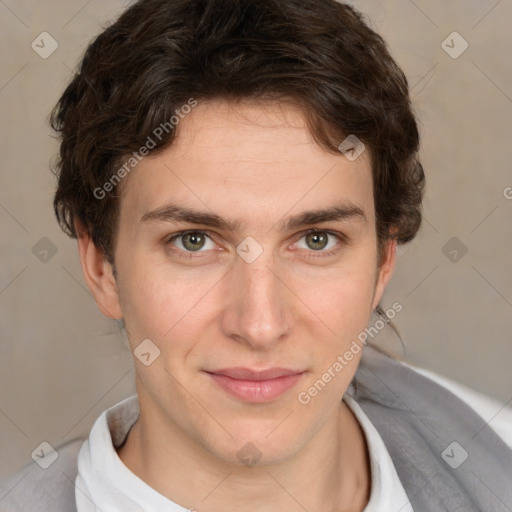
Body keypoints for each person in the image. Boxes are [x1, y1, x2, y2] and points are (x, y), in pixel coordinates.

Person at [1, 0, 511, 510]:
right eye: (193, 241)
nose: (260, 325)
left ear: (383, 262)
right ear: (101, 268)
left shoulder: (498, 448)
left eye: (317, 239)